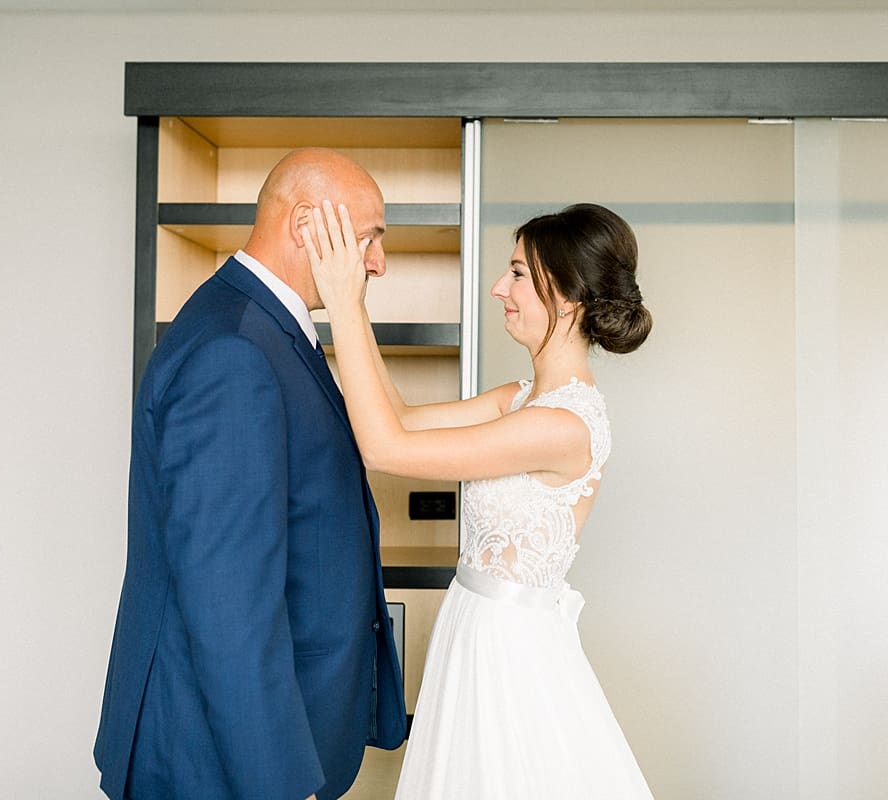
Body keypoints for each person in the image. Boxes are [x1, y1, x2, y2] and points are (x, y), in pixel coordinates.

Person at [305, 200, 655, 799]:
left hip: (509, 650)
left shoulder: (563, 426)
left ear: (567, 297)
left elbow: (384, 449)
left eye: (517, 273)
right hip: (472, 625)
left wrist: (338, 303)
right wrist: (355, 302)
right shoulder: (519, 399)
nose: (499, 288)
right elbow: (401, 418)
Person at [94, 149, 406, 800]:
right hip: (214, 756)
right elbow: (228, 598)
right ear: (305, 225)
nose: (378, 262)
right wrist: (278, 783)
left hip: (253, 734)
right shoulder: (234, 350)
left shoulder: (260, 325)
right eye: (369, 237)